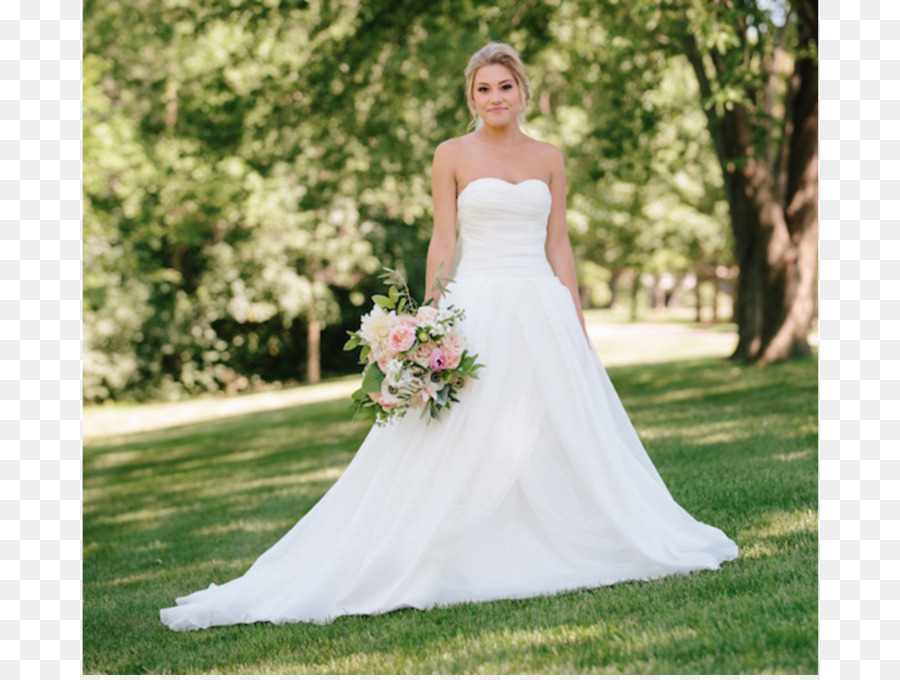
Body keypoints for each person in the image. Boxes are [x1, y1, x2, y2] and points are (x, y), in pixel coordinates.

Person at [160, 42, 738, 632]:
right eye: (483, 89)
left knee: (557, 424)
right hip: (479, 300)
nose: (495, 98)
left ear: (523, 91)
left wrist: (577, 317)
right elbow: (444, 239)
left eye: (505, 87)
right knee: (459, 431)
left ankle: (569, 535)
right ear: (471, 96)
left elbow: (558, 242)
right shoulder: (451, 154)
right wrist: (428, 318)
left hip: (541, 303)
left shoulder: (549, 157)